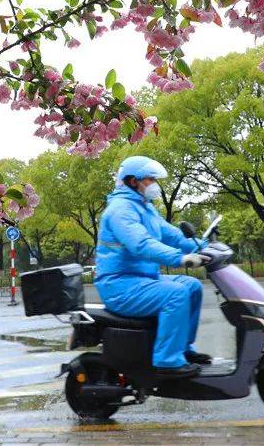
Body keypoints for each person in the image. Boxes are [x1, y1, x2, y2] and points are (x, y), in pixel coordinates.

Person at [94, 156, 210, 378]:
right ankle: (167, 361)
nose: (154, 184)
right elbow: (141, 244)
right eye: (149, 180)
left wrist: (204, 247)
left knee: (192, 286)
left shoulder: (145, 208)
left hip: (143, 279)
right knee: (175, 294)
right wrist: (180, 259)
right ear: (132, 181)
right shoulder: (120, 210)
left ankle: (183, 349)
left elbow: (172, 234)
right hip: (120, 286)